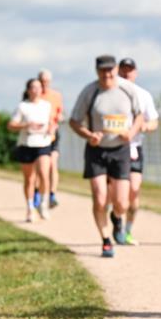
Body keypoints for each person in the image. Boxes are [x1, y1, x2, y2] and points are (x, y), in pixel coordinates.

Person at [69, 56, 144, 258]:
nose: (107, 74)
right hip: (97, 150)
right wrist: (89, 135)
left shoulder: (127, 90)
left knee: (122, 203)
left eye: (110, 70)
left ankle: (116, 217)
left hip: (121, 149)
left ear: (116, 69)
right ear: (97, 71)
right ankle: (105, 240)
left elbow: (140, 115)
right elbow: (74, 121)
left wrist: (131, 132)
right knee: (100, 197)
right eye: (103, 70)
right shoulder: (90, 91)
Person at [114, 57, 160, 245]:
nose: (126, 73)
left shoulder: (144, 95)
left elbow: (154, 121)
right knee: (116, 195)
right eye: (123, 70)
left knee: (134, 189)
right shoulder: (111, 93)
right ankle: (117, 219)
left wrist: (144, 127)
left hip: (134, 148)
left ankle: (128, 230)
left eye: (130, 70)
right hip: (114, 147)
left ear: (135, 73)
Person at [8, 78, 53, 222]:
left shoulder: (47, 105)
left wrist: (52, 130)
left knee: (44, 174)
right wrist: (26, 125)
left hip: (43, 144)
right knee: (29, 179)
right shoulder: (22, 107)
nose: (36, 90)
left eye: (39, 87)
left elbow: (52, 122)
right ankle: (30, 208)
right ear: (28, 90)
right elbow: (11, 125)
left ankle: (44, 204)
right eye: (33, 87)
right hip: (26, 144)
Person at [38, 69, 65, 209]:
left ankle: (52, 194)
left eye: (46, 81)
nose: (44, 84)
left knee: (53, 164)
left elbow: (60, 113)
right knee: (41, 167)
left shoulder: (56, 96)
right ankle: (38, 192)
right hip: (38, 136)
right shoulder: (34, 94)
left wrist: (58, 120)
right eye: (42, 81)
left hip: (53, 133)